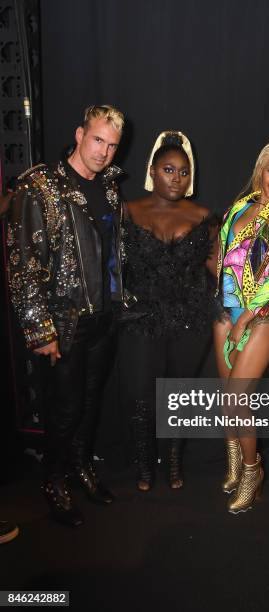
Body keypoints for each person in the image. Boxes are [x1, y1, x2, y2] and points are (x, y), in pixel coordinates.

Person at [8, 104, 125, 526]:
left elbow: (110, 255)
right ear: (79, 134)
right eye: (97, 140)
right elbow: (23, 264)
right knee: (64, 410)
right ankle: (53, 480)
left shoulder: (110, 186)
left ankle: (81, 468)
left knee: (91, 405)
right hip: (64, 323)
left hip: (103, 319)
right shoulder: (41, 186)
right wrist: (41, 329)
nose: (104, 152)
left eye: (112, 145)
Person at [119, 131, 217, 491]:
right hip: (140, 318)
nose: (176, 178)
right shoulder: (128, 211)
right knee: (141, 395)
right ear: (153, 171)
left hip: (190, 319)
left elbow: (221, 269)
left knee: (179, 393)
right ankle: (145, 467)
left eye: (184, 172)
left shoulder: (204, 216)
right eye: (169, 170)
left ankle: (174, 462)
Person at [213, 140, 269, 514]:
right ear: (261, 169)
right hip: (225, 310)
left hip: (262, 315)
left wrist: (246, 319)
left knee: (238, 399)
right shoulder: (240, 206)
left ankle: (253, 471)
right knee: (227, 399)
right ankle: (234, 460)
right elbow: (223, 257)